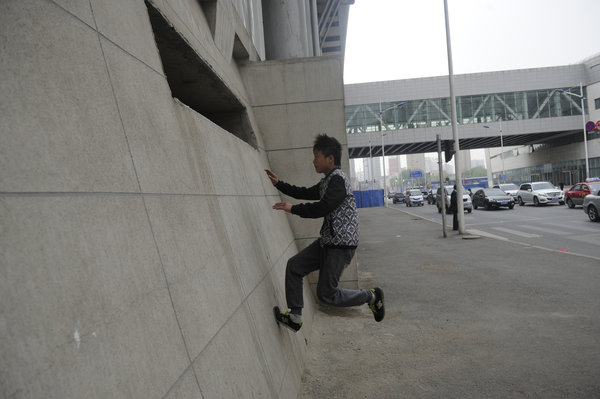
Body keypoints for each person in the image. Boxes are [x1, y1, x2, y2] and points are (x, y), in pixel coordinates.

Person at [265, 134, 385, 332]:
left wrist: (292, 209)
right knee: (294, 266)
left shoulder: (338, 181)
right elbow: (304, 192)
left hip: (341, 245)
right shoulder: (327, 181)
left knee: (327, 294)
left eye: (317, 156)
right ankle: (295, 317)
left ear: (330, 158)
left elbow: (323, 207)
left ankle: (371, 296)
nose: (314, 161)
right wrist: (279, 184)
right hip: (328, 242)